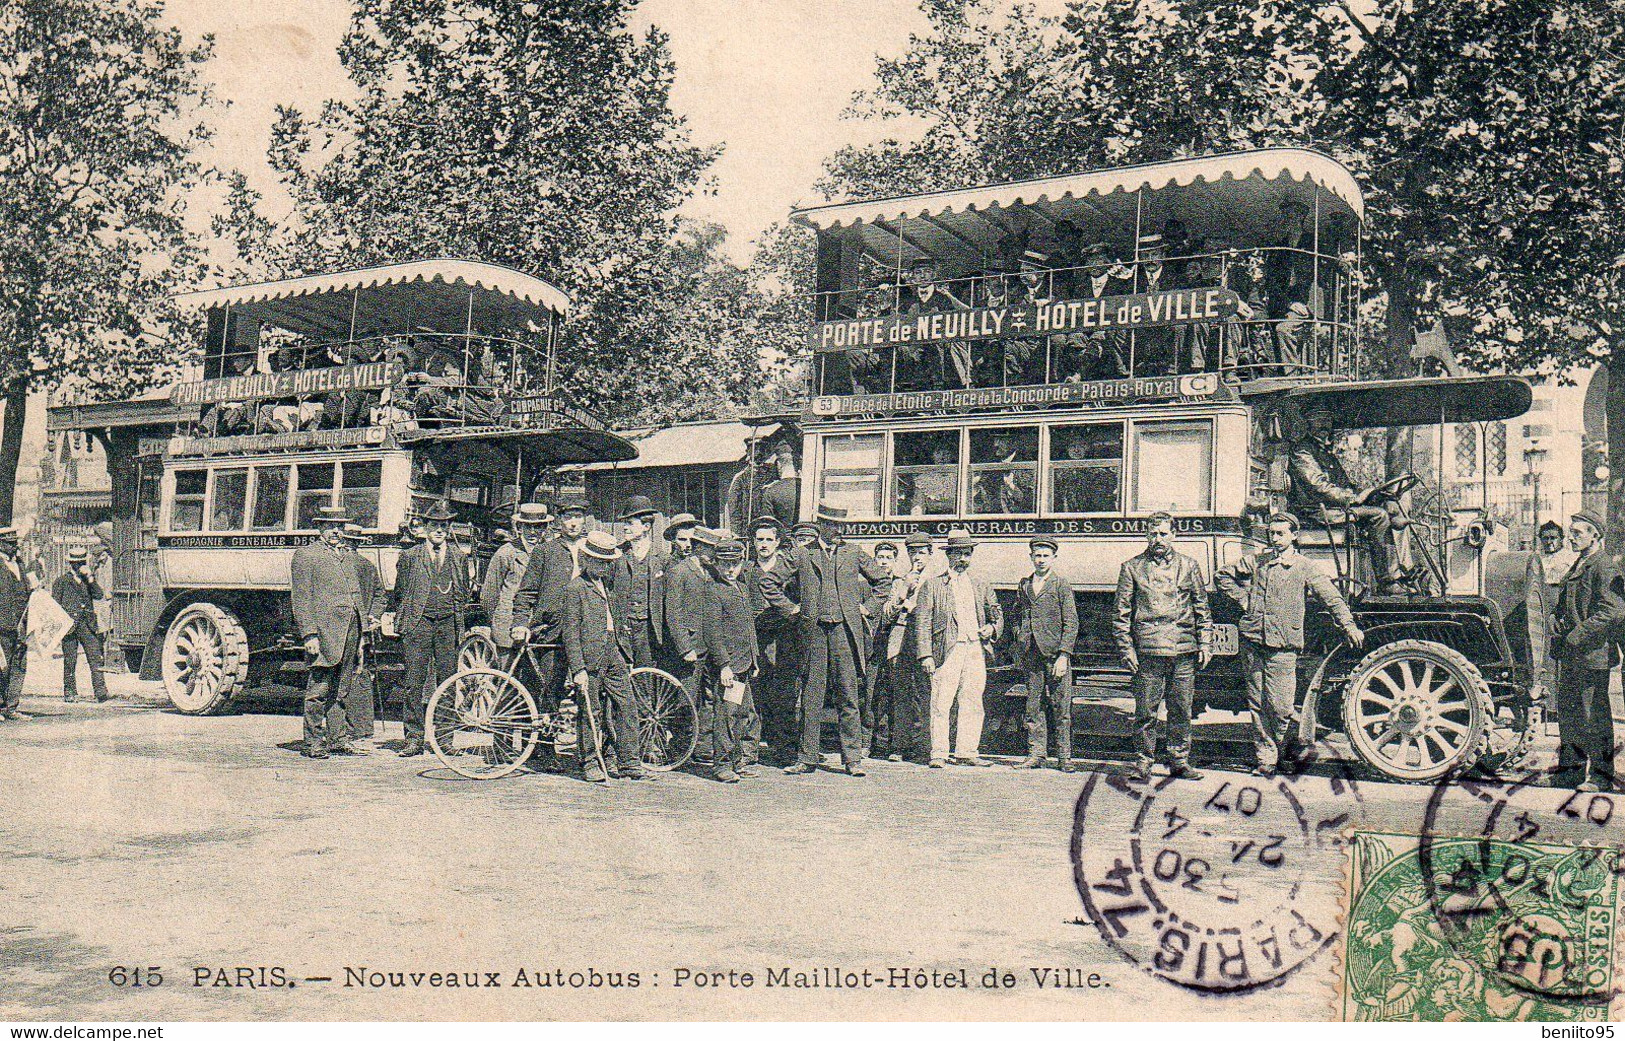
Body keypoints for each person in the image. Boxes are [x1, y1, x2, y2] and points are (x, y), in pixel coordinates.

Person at [1216, 512, 1364, 776]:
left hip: (1283, 644)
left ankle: (1289, 747)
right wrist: (1245, 600)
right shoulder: (1257, 561)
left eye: (1280, 533)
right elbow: (1222, 576)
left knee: (1281, 705)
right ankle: (1267, 759)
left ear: (1293, 536)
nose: (1275, 539)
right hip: (1252, 640)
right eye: (1271, 533)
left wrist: (1349, 625)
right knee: (1257, 702)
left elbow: (1332, 598)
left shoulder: (1304, 566)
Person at [765, 503, 892, 776]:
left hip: (845, 634)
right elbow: (769, 582)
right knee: (812, 695)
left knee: (849, 694)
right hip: (814, 634)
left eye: (841, 526)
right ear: (820, 525)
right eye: (832, 525)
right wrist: (791, 608)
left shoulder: (853, 552)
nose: (837, 530)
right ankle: (807, 757)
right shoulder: (802, 554)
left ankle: (852, 759)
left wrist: (868, 607)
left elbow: (882, 582)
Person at [1112, 515, 1211, 782]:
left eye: (1164, 534)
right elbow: (1121, 614)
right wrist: (1127, 650)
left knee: (1181, 709)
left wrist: (1205, 643)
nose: (1158, 539)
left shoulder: (1189, 566)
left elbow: (1202, 608)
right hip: (1148, 649)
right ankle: (1143, 761)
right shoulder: (1132, 568)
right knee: (1146, 711)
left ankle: (1179, 761)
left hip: (1183, 648)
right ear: (1146, 535)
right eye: (1153, 534)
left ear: (1174, 535)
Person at [561, 530, 646, 783]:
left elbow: (618, 621)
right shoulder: (576, 587)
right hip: (590, 658)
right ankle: (589, 762)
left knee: (627, 706)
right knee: (591, 711)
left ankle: (628, 760)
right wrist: (577, 668)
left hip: (614, 651)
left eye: (607, 562)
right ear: (586, 560)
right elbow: (570, 632)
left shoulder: (609, 585)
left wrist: (624, 650)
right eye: (598, 561)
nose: (603, 567)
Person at [914, 527, 1004, 768]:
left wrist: (992, 629)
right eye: (958, 554)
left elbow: (997, 613)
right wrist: (926, 655)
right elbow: (922, 622)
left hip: (975, 648)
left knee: (973, 700)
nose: (963, 559)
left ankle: (967, 751)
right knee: (942, 701)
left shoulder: (981, 584)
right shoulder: (933, 585)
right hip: (947, 650)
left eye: (967, 554)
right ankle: (939, 753)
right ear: (948, 555)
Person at [1289, 405, 1401, 591]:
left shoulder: (1324, 452)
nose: (1325, 424)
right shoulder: (1303, 451)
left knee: (1387, 507)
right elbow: (1318, 486)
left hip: (1333, 508)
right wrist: (1353, 498)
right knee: (1378, 516)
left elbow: (1344, 484)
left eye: (1328, 420)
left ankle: (1400, 573)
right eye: (1319, 420)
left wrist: (1367, 493)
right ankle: (1387, 581)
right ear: (1309, 423)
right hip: (1315, 511)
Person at [389, 500, 469, 757]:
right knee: (414, 681)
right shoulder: (410, 557)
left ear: (449, 529)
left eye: (443, 526)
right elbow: (400, 593)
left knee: (447, 681)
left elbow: (463, 592)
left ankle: (445, 739)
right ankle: (413, 739)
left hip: (448, 624)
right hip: (418, 624)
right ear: (424, 528)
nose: (439, 530)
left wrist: (456, 621)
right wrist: (408, 618)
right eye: (434, 525)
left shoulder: (458, 556)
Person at [1551, 510, 1624, 792]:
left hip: (1592, 654)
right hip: (1573, 653)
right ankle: (1570, 772)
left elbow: (1613, 610)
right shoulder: (1581, 563)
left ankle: (1601, 776)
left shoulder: (1603, 566)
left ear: (1595, 535)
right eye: (1571, 531)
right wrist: (1558, 620)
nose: (1570, 536)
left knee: (1594, 716)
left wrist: (1577, 634)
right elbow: (1570, 604)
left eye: (1577, 532)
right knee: (1569, 714)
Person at [289, 505, 369, 758]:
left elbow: (357, 596)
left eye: (340, 527)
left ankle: (338, 739)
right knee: (319, 689)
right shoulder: (306, 555)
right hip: (323, 632)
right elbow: (301, 598)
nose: (336, 531)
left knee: (342, 688)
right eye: (330, 526)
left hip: (351, 630)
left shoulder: (348, 557)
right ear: (320, 528)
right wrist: (309, 634)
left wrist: (363, 632)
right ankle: (313, 741)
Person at [510, 495, 589, 715]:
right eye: (568, 517)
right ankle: (540, 748)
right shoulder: (545, 552)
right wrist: (520, 624)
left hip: (586, 633)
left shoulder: (593, 552)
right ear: (559, 521)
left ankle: (589, 747)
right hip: (551, 633)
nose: (573, 523)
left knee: (590, 693)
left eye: (578, 517)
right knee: (545, 692)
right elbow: (526, 593)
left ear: (585, 520)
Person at [698, 538, 762, 783]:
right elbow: (712, 632)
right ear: (716, 564)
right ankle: (722, 765)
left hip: (744, 665)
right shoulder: (714, 590)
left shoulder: (742, 587)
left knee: (743, 714)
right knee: (727, 715)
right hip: (729, 668)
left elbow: (748, 628)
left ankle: (739, 761)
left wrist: (754, 661)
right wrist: (724, 665)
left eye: (734, 564)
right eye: (725, 564)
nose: (730, 569)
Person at [1014, 537, 1079, 772]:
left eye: (1045, 555)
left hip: (1054, 655)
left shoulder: (1061, 584)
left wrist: (1064, 655)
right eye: (1037, 555)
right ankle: (1036, 754)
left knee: (1061, 707)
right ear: (1031, 557)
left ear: (1054, 558)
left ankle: (1064, 758)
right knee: (1033, 707)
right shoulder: (1024, 584)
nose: (1040, 560)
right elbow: (1018, 614)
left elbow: (1071, 622)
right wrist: (1020, 639)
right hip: (1032, 654)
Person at [750, 518, 802, 764]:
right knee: (757, 692)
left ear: (778, 542)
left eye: (769, 540)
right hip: (756, 637)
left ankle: (785, 749)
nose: (764, 544)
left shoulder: (789, 570)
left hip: (784, 638)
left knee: (784, 694)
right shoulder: (747, 570)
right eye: (759, 540)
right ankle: (754, 748)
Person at [481, 503, 549, 660]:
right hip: (508, 629)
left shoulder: (548, 553)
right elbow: (489, 596)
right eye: (528, 527)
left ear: (545, 528)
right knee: (505, 678)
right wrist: (499, 623)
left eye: (538, 527)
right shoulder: (506, 553)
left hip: (536, 629)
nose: (533, 532)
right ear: (520, 527)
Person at [612, 496, 670, 670]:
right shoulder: (617, 555)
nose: (625, 527)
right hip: (622, 625)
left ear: (646, 526)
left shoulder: (662, 558)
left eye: (630, 523)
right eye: (625, 523)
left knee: (646, 675)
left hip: (649, 629)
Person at [340, 522, 385, 744]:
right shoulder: (368, 566)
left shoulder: (342, 566)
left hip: (347, 629)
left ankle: (349, 729)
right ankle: (364, 727)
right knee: (362, 674)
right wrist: (373, 617)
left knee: (345, 676)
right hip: (366, 630)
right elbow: (380, 596)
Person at [53, 547, 111, 704]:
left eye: (82, 563)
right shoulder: (61, 582)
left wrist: (91, 579)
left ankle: (100, 692)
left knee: (95, 658)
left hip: (87, 624)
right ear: (71, 564)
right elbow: (55, 605)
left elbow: (99, 595)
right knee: (70, 661)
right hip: (69, 626)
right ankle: (70, 692)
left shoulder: (89, 580)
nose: (80, 567)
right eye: (77, 564)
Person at [860, 541, 901, 758]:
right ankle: (866, 743)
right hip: (872, 648)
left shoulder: (902, 585)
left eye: (888, 557)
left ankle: (892, 745)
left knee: (894, 695)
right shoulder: (867, 586)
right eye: (880, 557)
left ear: (895, 561)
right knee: (869, 695)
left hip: (895, 648)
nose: (884, 561)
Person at [0, 529, 28, 721]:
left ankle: (11, 706)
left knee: (19, 664)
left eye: (15, 543)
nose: (14, 547)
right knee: (2, 666)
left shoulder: (19, 564)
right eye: (10, 544)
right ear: (1, 544)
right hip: (3, 623)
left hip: (21, 623)